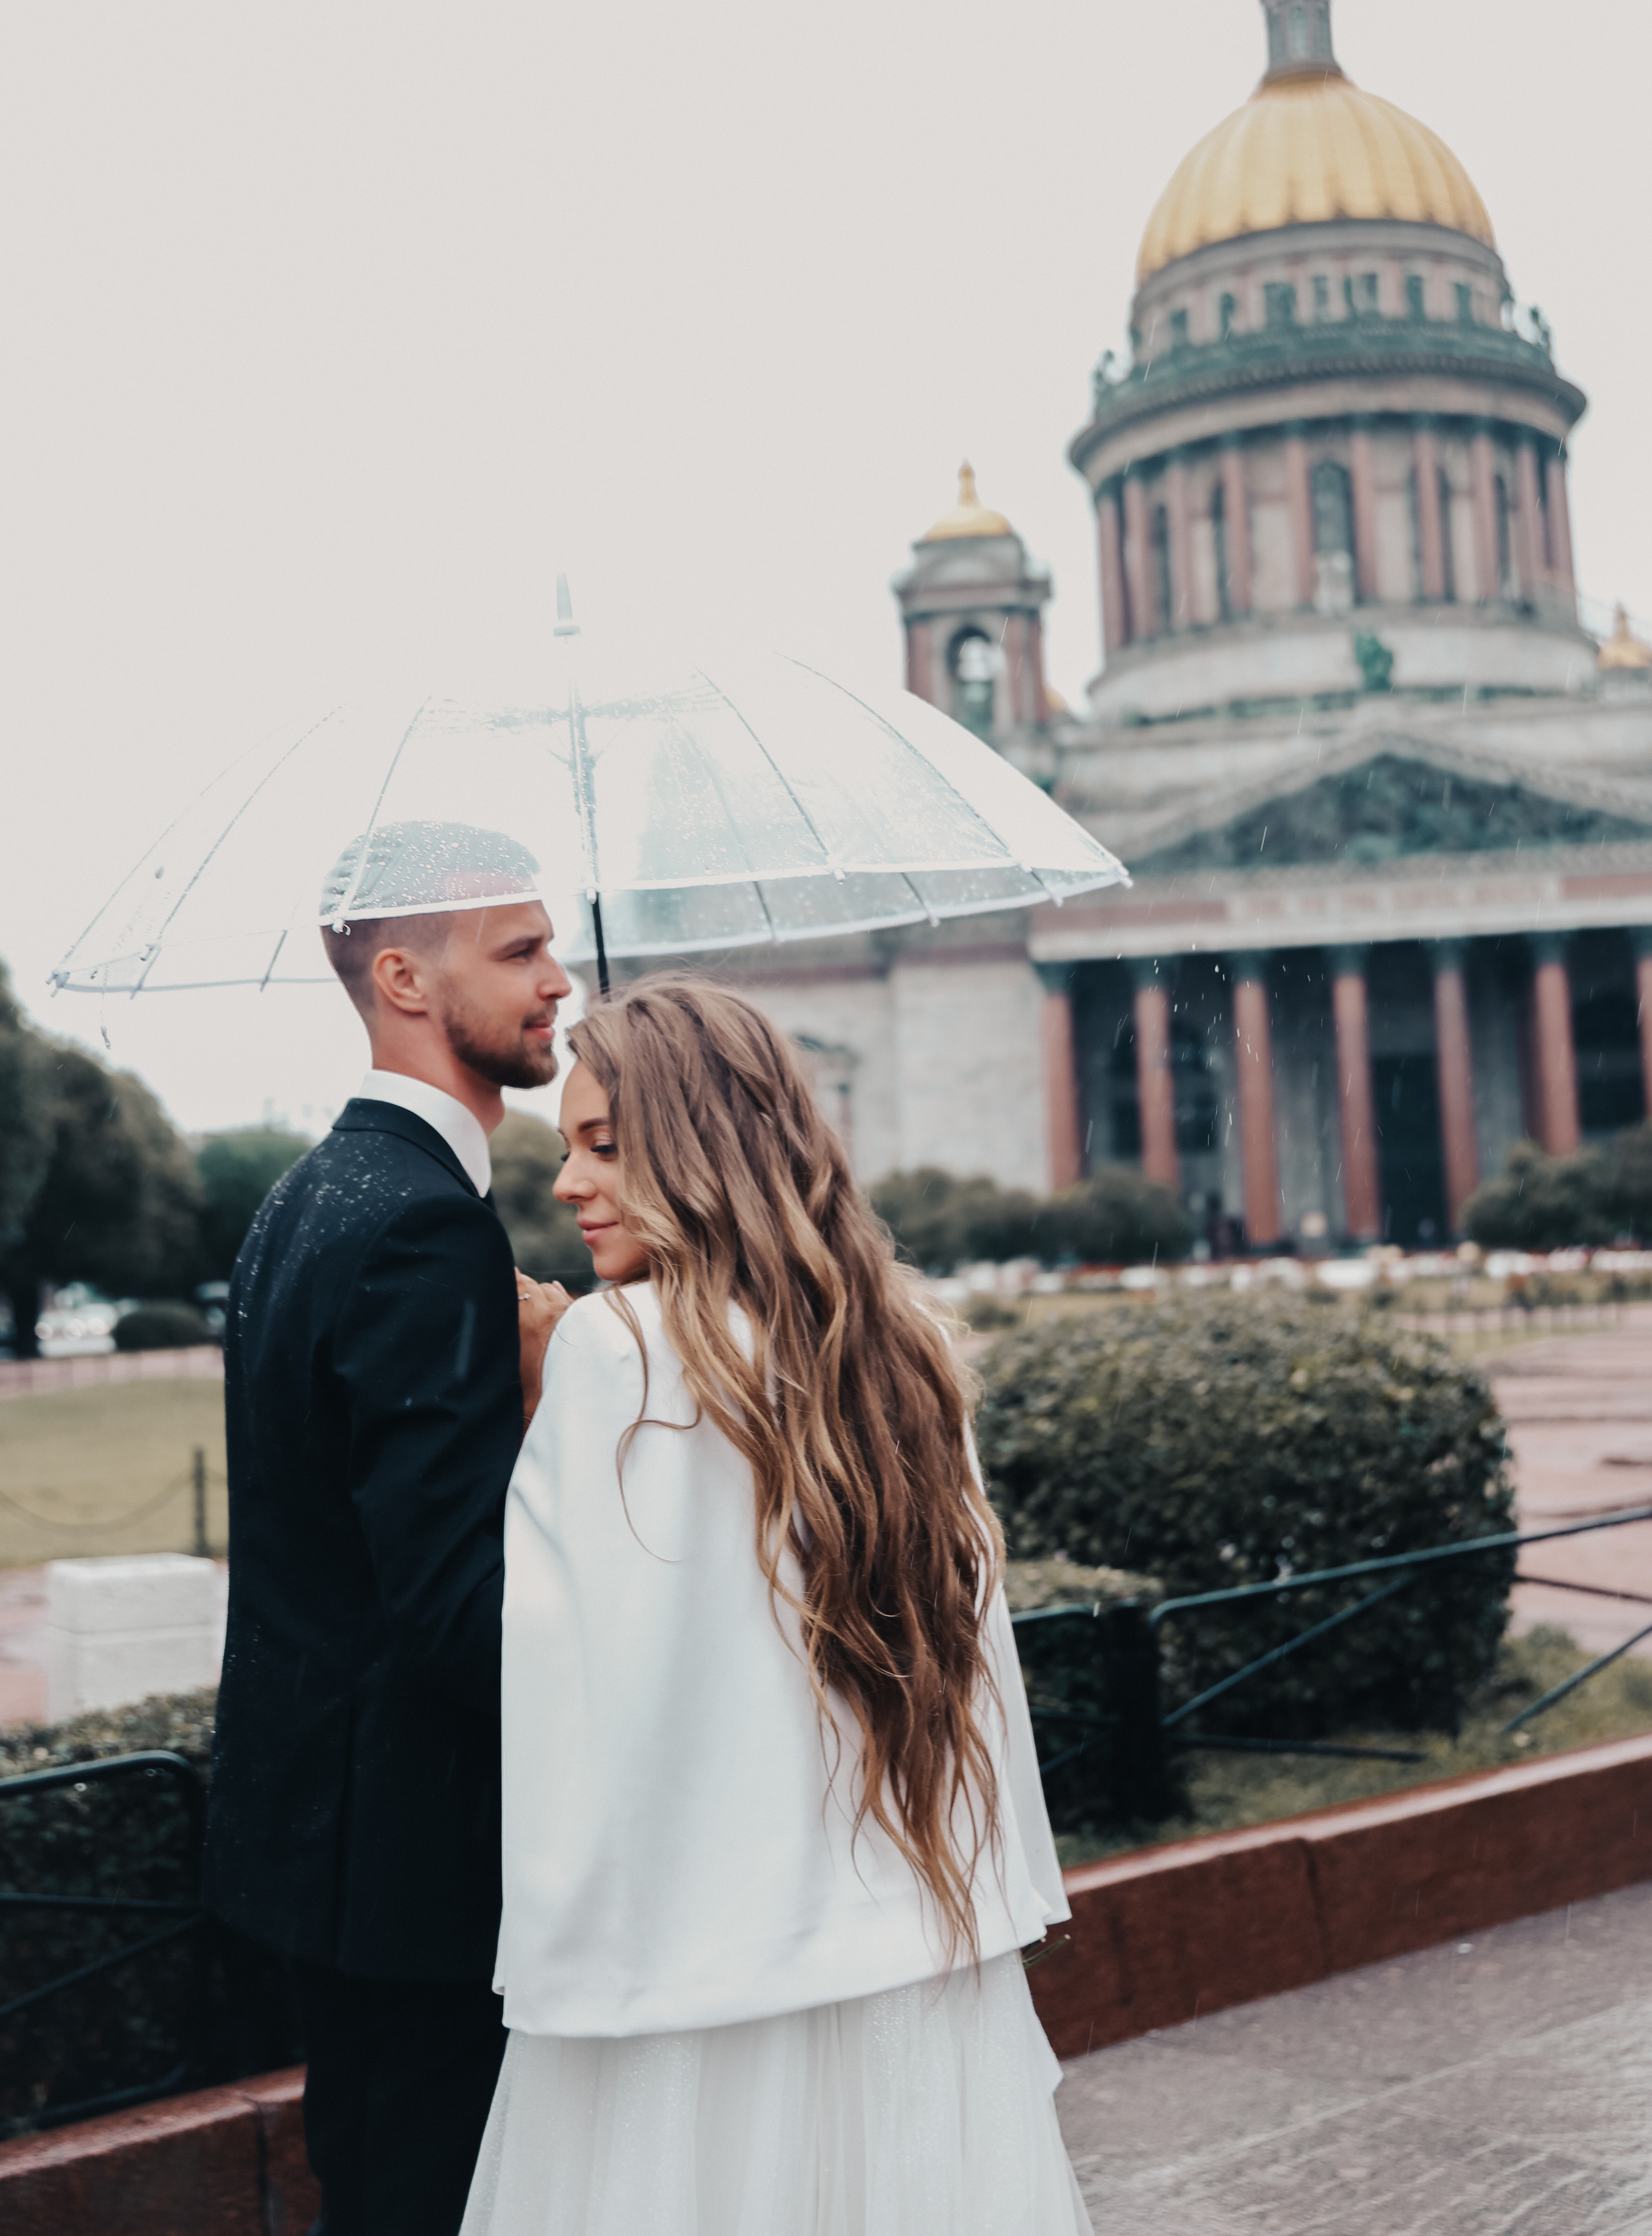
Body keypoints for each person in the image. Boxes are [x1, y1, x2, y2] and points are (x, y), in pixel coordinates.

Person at [463, 975, 1092, 2235]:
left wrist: (538, 1412)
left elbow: (559, 1656)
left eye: (603, 1146)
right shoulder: (902, 1346)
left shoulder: (608, 1352)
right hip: (909, 1926)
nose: (567, 1186)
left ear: (701, 1151)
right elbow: (971, 1649)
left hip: (699, 1955)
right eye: (567, 1149)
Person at [203, 820, 574, 2236]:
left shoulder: (303, 1200)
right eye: (521, 949)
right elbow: (448, 1609)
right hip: (419, 1864)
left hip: (318, 1846)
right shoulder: (425, 1226)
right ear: (406, 979)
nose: (559, 982)